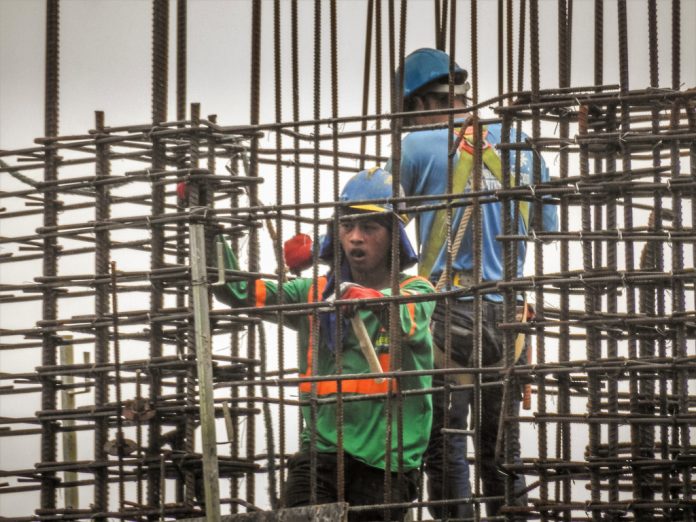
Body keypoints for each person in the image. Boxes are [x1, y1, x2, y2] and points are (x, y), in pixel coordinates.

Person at [390, 48, 559, 519]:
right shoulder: (519, 143)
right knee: (501, 448)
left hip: (449, 308)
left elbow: (378, 228)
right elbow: (544, 226)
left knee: (444, 441)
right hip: (511, 315)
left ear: (418, 104)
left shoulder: (416, 147)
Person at [213, 167, 436, 521]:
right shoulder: (314, 295)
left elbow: (406, 314)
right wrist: (209, 225)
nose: (356, 238)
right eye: (347, 227)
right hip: (322, 451)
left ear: (394, 236)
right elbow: (236, 290)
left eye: (370, 228)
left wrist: (370, 298)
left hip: (387, 459)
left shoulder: (418, 291)